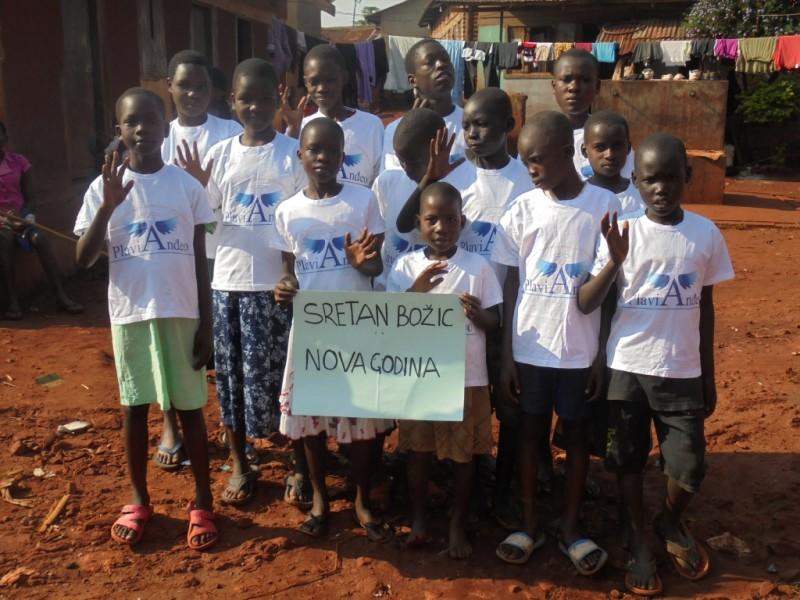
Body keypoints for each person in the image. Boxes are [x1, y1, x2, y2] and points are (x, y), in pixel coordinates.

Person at [577, 134, 734, 596]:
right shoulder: (622, 232)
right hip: (627, 367)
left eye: (670, 177)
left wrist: (707, 371)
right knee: (626, 460)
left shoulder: (706, 234)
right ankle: (636, 535)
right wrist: (613, 262)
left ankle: (667, 520)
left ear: (687, 176)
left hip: (682, 369)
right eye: (650, 180)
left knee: (690, 465)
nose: (661, 188)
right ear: (636, 183)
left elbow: (706, 306)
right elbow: (591, 303)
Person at [74, 88, 218, 550]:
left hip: (181, 310)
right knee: (134, 408)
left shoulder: (186, 187)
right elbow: (83, 258)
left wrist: (207, 322)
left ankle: (203, 499)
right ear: (118, 129)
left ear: (165, 124)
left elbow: (200, 261)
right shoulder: (102, 189)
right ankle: (139, 497)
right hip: (131, 313)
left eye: (151, 120)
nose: (142, 130)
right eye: (131, 122)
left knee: (190, 409)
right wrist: (107, 207)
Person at [491, 112, 618, 573]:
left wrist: (600, 356)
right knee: (530, 435)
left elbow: (607, 293)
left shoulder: (604, 206)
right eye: (525, 161)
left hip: (579, 352)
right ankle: (529, 525)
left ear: (568, 153)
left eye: (537, 160)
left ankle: (570, 528)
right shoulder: (522, 209)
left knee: (577, 438)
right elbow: (509, 284)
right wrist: (508, 354)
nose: (530, 169)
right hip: (530, 349)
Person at [272, 117, 393, 542]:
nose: (322, 157)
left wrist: (363, 263)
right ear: (300, 155)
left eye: (331, 150)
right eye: (314, 150)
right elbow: (288, 274)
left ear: (344, 156)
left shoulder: (362, 201)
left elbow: (376, 267)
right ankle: (320, 498)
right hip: (312, 331)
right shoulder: (287, 211)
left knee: (361, 422)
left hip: (356, 327)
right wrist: (284, 288)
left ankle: (360, 499)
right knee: (311, 421)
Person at [202, 58, 306, 506]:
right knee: (231, 379)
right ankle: (241, 463)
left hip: (278, 288)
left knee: (288, 378)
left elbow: (301, 218)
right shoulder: (219, 155)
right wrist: (194, 188)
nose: (256, 107)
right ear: (232, 101)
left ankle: (300, 464)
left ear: (278, 99)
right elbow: (206, 216)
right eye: (246, 99)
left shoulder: (293, 154)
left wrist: (290, 272)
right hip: (229, 284)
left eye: (265, 99)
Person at [387, 181, 501, 559]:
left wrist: (477, 314)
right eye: (432, 219)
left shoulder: (477, 267)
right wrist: (416, 291)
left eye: (450, 219)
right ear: (418, 223)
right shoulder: (405, 267)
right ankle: (419, 520)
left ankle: (457, 525)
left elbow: (494, 321)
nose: (441, 228)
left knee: (463, 456)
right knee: (418, 452)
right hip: (419, 379)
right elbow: (390, 321)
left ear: (462, 222)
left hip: (466, 378)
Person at [156, 49, 243, 472]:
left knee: (220, 347)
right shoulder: (159, 136)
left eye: (201, 86)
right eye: (183, 85)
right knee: (174, 346)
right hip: (173, 260)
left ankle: (231, 427)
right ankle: (170, 425)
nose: (192, 94)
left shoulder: (230, 133)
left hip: (221, 257)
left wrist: (201, 186)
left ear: (214, 91)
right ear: (169, 87)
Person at [0, 121, 83, 319]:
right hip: (1, 223)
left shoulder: (19, 162)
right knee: (5, 242)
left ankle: (61, 296)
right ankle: (13, 302)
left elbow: (31, 198)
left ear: (5, 139)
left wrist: (23, 217)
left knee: (40, 239)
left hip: (22, 219)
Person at [282, 45, 383, 188]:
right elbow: (286, 174)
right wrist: (293, 130)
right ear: (305, 83)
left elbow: (379, 178)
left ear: (344, 78)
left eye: (330, 80)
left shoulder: (371, 125)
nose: (322, 88)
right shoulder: (301, 127)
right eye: (314, 82)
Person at [382, 40, 467, 171]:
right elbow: (393, 179)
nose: (441, 65)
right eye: (430, 62)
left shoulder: (471, 124)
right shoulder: (396, 131)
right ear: (413, 80)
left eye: (445, 59)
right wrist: (413, 135)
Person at [552, 48, 634, 180]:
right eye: (566, 79)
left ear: (597, 86)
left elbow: (626, 185)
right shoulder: (541, 137)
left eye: (585, 80)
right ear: (554, 86)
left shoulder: (613, 136)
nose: (574, 87)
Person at [582, 111, 644, 217]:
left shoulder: (641, 195)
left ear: (628, 148)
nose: (610, 155)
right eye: (600, 147)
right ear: (585, 151)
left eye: (617, 146)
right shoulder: (579, 196)